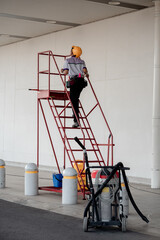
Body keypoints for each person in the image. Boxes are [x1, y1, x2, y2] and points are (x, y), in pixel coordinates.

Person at [61, 46, 89, 128]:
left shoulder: (67, 60)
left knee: (73, 101)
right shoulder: (82, 61)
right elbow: (85, 71)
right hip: (81, 82)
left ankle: (76, 120)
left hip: (74, 81)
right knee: (75, 99)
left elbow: (66, 72)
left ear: (72, 52)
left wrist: (62, 71)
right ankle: (76, 119)